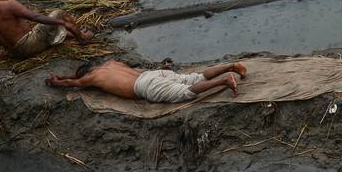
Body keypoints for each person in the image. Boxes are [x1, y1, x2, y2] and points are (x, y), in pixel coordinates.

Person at [46, 59, 246, 103]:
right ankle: (230, 66)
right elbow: (76, 77)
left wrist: (56, 81)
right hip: (153, 74)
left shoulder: (92, 77)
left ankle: (224, 81)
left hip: (145, 86)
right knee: (196, 77)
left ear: (86, 74)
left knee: (185, 92)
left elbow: (72, 83)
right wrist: (66, 76)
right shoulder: (110, 63)